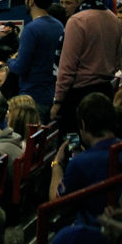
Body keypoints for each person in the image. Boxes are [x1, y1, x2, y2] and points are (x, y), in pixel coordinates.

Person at [53, 0, 122, 133]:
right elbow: (118, 61)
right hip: (105, 94)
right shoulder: (114, 20)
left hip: (78, 99)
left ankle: (74, 158)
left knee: (72, 145)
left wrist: (58, 102)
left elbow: (67, 67)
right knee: (101, 139)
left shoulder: (77, 21)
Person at [50, 93, 122, 226]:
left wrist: (57, 164)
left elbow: (58, 206)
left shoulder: (80, 163)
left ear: (83, 124)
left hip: (93, 232)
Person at [8, 0, 63, 120]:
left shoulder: (31, 29)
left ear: (31, 1)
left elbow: (20, 67)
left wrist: (10, 61)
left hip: (31, 98)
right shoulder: (59, 26)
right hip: (51, 95)